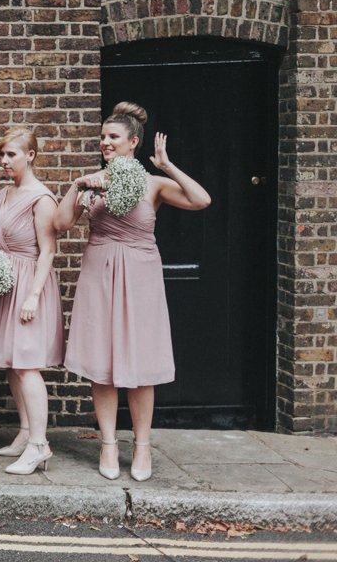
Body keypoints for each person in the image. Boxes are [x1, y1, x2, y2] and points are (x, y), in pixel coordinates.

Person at [54, 102, 210, 482]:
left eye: (113, 137)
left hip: (141, 276)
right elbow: (59, 224)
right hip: (99, 272)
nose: (105, 142)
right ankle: (108, 444)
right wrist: (78, 186)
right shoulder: (93, 182)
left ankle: (142, 446)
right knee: (101, 362)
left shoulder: (152, 184)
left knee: (141, 365)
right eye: (102, 137)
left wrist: (167, 166)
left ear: (133, 142)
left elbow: (201, 200)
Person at [0, 127, 63, 475]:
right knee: (13, 365)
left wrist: (32, 295)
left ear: (30, 156)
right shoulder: (4, 193)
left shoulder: (41, 199)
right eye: (1, 155)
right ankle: (26, 431)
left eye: (11, 154)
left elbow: (48, 251)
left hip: (30, 285)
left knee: (28, 365)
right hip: (7, 284)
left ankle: (39, 445)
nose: (4, 161)